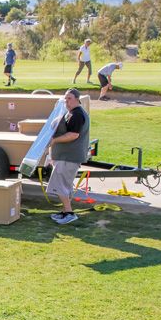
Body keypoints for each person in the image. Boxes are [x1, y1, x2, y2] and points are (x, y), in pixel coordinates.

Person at [47, 88, 89, 226]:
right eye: (65, 98)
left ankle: (70, 213)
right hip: (66, 157)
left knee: (59, 186)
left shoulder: (77, 114)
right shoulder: (71, 113)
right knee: (64, 186)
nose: (66, 101)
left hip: (69, 157)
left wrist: (54, 140)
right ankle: (65, 211)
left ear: (77, 99)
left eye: (69, 98)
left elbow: (73, 135)